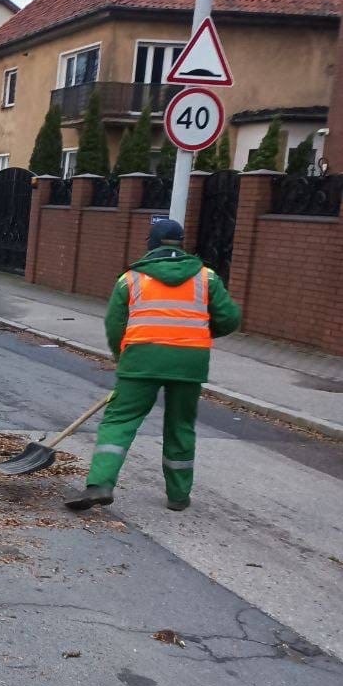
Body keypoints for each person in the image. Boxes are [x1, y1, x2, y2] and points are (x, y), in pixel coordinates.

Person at [68, 218, 241, 513]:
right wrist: (198, 332)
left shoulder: (131, 279)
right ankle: (178, 495)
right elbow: (230, 319)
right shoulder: (206, 277)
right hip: (189, 362)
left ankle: (100, 484)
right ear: (181, 243)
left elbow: (114, 325)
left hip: (140, 361)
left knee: (120, 421)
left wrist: (121, 357)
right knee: (180, 426)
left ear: (151, 243)